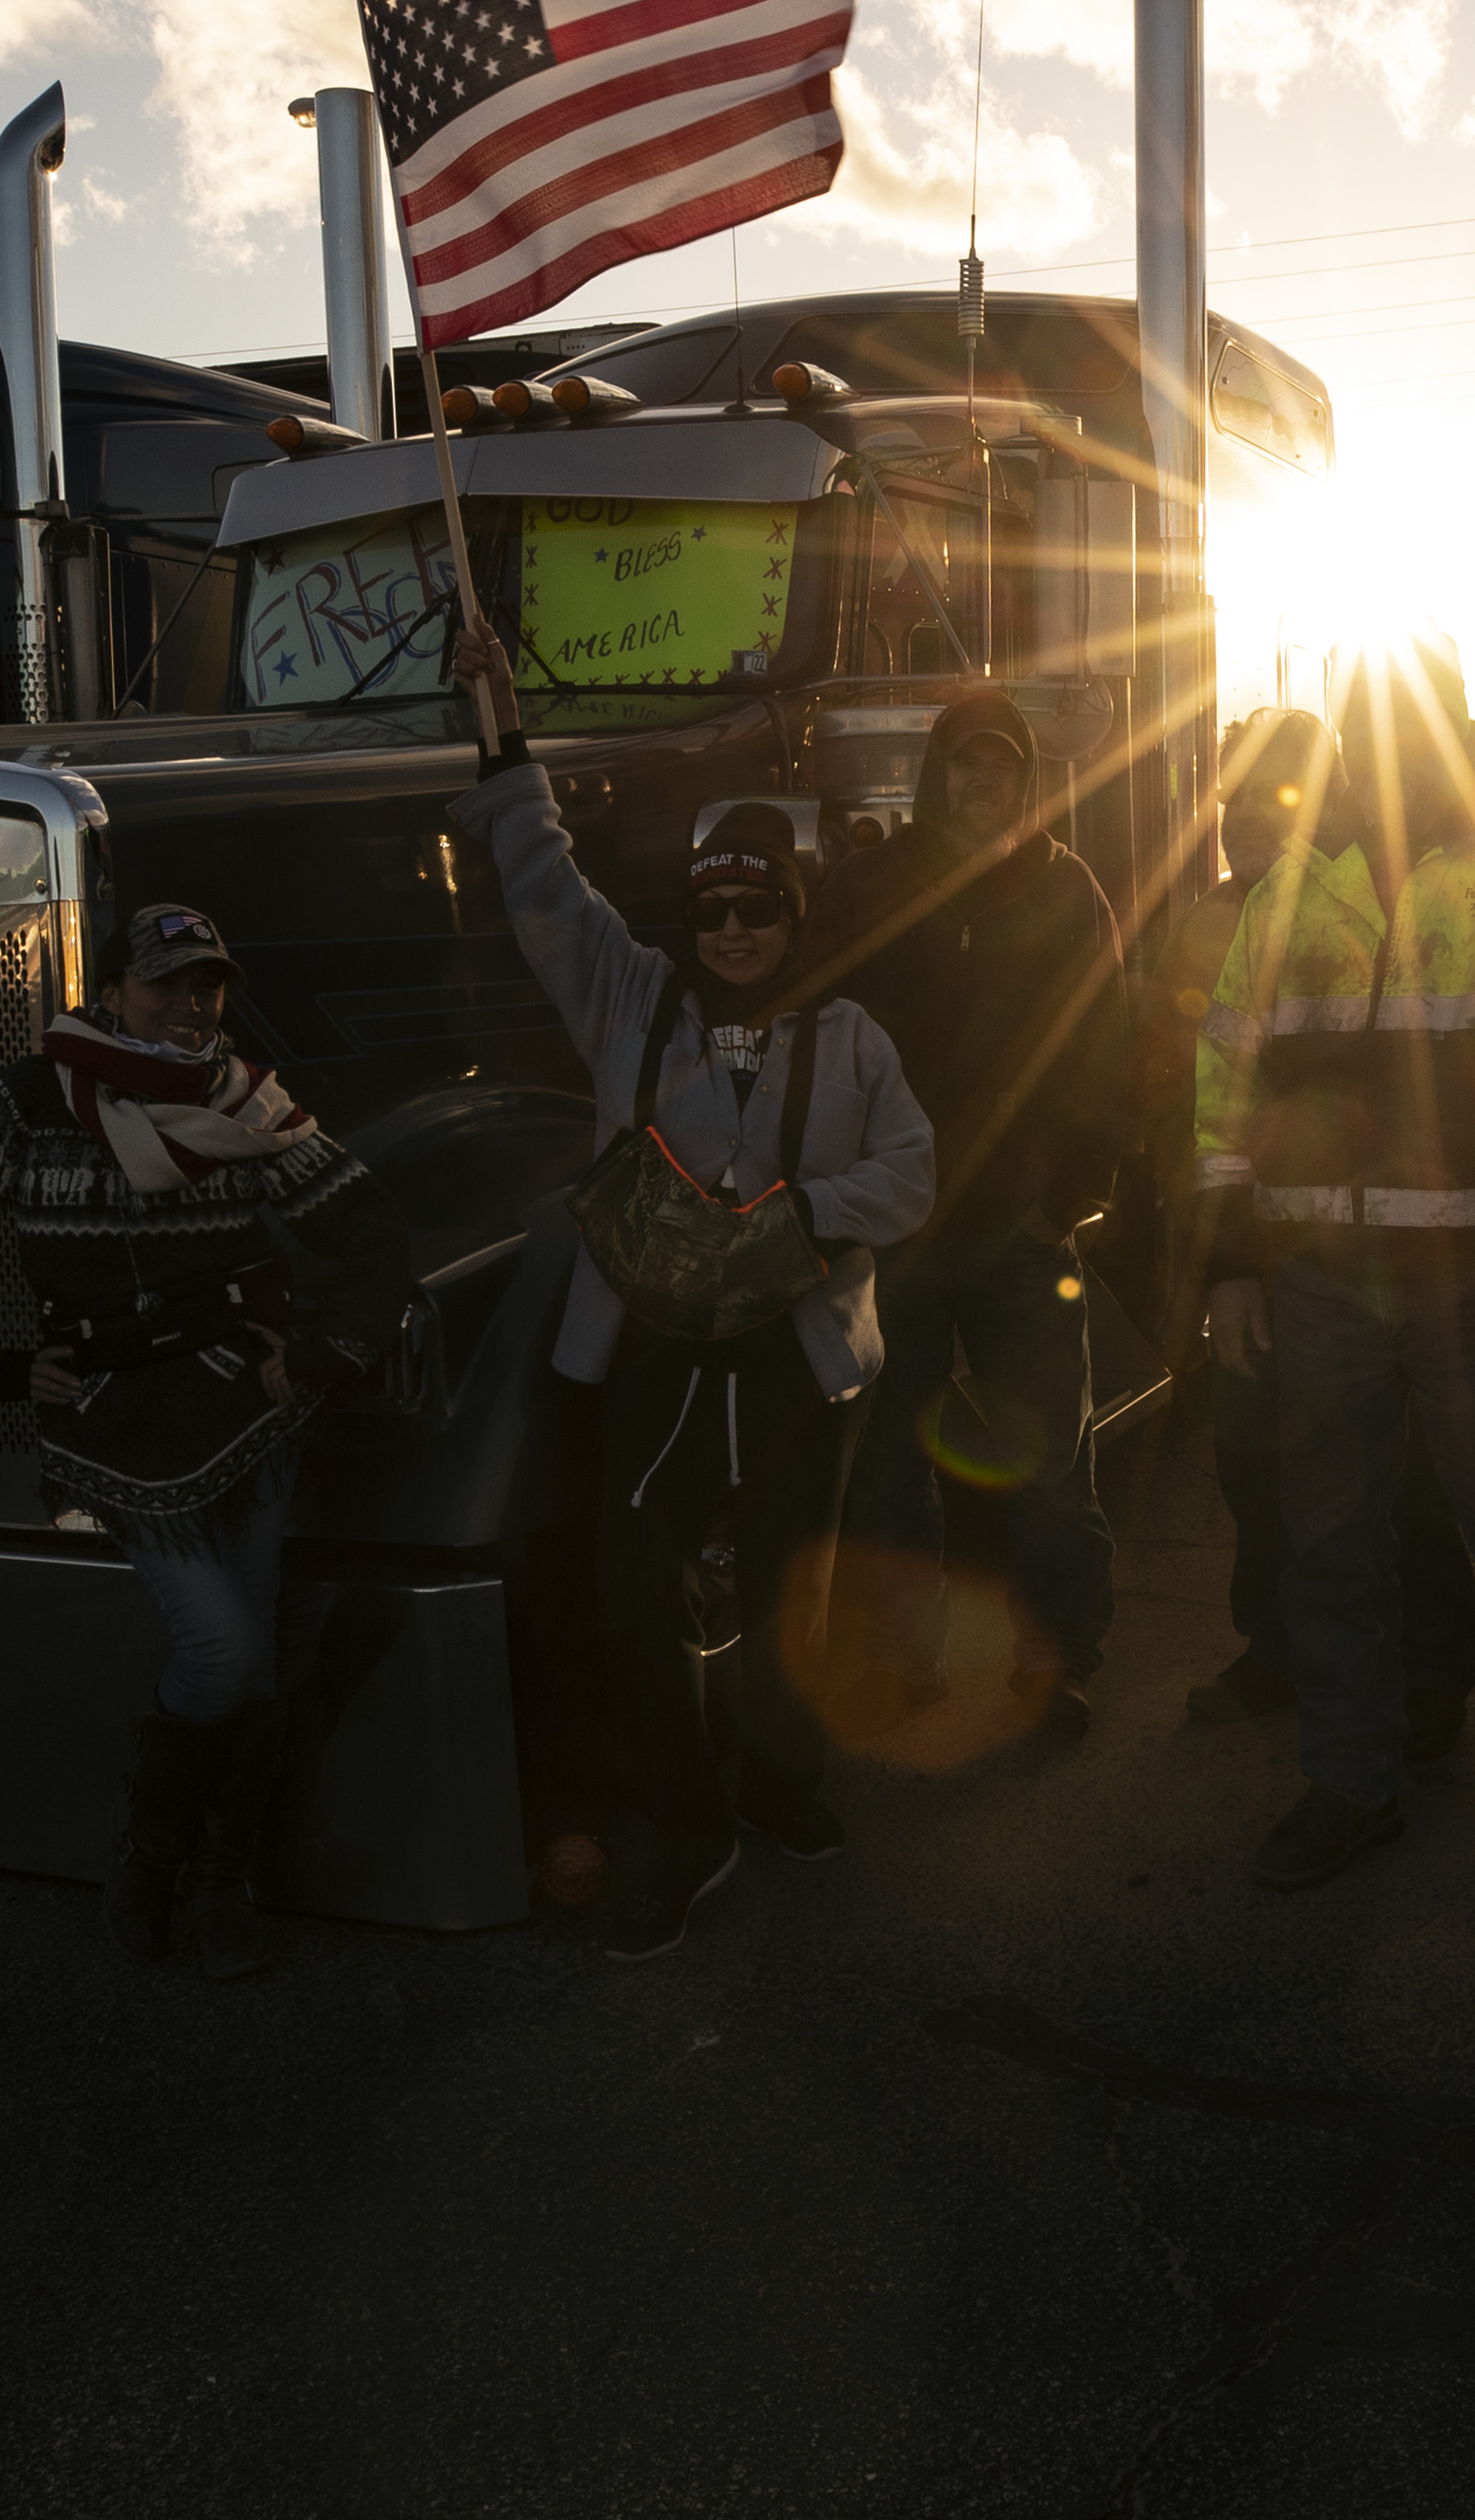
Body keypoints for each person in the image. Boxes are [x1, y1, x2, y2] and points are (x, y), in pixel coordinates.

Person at [446, 619, 937, 1960]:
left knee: (794, 1589)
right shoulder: (632, 1001)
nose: (733, 929)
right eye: (712, 908)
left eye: (758, 906)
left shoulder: (854, 1037)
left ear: (793, 912)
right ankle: (688, 1824)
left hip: (797, 1361)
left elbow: (913, 1175)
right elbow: (546, 888)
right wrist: (504, 738)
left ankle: (778, 1789)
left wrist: (803, 1213)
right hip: (655, 1356)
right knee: (629, 1595)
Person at [1195, 637, 1475, 1912]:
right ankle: (1352, 1781)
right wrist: (1230, 1262)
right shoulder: (1287, 892)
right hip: (1321, 1285)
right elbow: (1221, 1086)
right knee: (1330, 1547)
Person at [0, 902, 407, 1982]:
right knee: (220, 1650)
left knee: (251, 1656)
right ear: (110, 991)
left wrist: (313, 1351)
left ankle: (217, 1880)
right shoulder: (31, 1101)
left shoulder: (245, 1101)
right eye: (164, 982)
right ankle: (145, 1855)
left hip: (242, 1406)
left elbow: (371, 1233)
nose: (188, 1004)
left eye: (206, 985)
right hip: (113, 1413)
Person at [809, 686, 1130, 1739]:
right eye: (965, 766)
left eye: (1002, 768)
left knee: (1048, 1464)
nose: (983, 785)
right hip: (888, 1231)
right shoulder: (866, 888)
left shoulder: (1070, 894)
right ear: (935, 773)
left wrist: (1062, 1205)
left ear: (1027, 780)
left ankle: (1055, 1659)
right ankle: (907, 1663)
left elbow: (1106, 1059)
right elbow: (810, 1034)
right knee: (889, 1467)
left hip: (1017, 1235)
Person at [1159, 711, 1475, 1738]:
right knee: (1256, 1461)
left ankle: (1430, 1677)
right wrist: (1215, 1261)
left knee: (1410, 1473)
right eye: (1235, 800)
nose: (1250, 815)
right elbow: (1190, 1096)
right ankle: (1278, 1650)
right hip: (1251, 1252)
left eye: (1279, 795)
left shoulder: (1379, 906)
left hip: (1368, 1255)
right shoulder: (1207, 922)